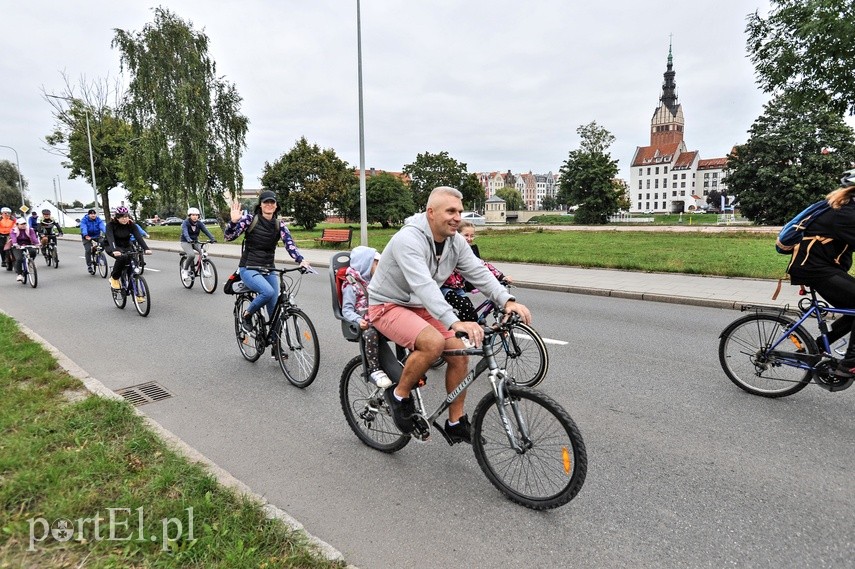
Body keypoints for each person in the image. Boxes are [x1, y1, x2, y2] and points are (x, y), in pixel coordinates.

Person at [367, 186, 532, 442]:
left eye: (460, 212)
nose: (457, 217)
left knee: (459, 353)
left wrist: (507, 300)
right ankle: (400, 397)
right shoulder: (408, 240)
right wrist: (454, 322)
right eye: (450, 211)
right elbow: (423, 285)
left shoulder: (454, 241)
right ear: (431, 212)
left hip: (420, 306)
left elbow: (478, 271)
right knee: (432, 344)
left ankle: (455, 421)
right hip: (388, 304)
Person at [787, 169, 855, 378]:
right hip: (814, 269)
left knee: (852, 310)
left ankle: (817, 346)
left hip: (823, 268)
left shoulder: (845, 209)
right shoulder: (845, 214)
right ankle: (850, 363)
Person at [225, 191, 312, 332]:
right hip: (249, 267)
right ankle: (247, 314)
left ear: (276, 206)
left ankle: (274, 342)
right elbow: (228, 237)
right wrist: (233, 222)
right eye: (266, 202)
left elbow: (290, 244)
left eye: (272, 202)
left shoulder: (279, 225)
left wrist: (301, 260)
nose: (269, 205)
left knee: (274, 309)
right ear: (260, 204)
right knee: (268, 292)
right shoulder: (250, 220)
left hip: (269, 268)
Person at [341, 246, 393, 389]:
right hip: (366, 322)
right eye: (377, 263)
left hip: (380, 317)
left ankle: (405, 362)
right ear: (366, 265)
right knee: (370, 334)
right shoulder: (351, 286)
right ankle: (375, 369)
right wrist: (359, 320)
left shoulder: (375, 281)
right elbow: (346, 310)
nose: (380, 267)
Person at [441, 220, 511, 322]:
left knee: (472, 316)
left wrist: (501, 276)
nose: (469, 239)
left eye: (472, 236)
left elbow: (482, 265)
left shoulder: (468, 251)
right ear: (457, 235)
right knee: (466, 309)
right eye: (466, 235)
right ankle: (454, 329)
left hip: (458, 288)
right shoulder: (451, 249)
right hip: (444, 288)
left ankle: (462, 329)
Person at [104, 206, 152, 289]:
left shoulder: (131, 225)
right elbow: (110, 238)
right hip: (111, 245)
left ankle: (134, 291)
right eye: (122, 217)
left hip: (126, 245)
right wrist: (114, 250)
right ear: (117, 218)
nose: (124, 219)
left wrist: (146, 248)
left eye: (126, 216)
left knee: (133, 263)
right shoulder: (110, 225)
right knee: (122, 258)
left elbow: (138, 237)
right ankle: (114, 278)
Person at [180, 207, 216, 278]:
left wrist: (212, 238)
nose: (195, 217)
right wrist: (188, 239)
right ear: (189, 216)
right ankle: (185, 270)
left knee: (203, 252)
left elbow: (206, 231)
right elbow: (185, 232)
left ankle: (205, 270)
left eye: (196, 215)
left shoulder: (199, 223)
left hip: (195, 241)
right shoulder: (185, 223)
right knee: (191, 255)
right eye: (193, 215)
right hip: (185, 241)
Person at [9, 218, 39, 283]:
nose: (23, 225)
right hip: (17, 246)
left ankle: (30, 263)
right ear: (17, 224)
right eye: (21, 224)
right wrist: (15, 244)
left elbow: (33, 237)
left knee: (33, 252)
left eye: (24, 224)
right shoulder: (14, 230)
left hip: (28, 244)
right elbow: (13, 237)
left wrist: (37, 243)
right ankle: (19, 274)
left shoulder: (30, 230)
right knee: (19, 259)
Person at [79, 209, 106, 274]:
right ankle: (89, 265)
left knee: (103, 242)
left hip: (96, 236)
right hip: (87, 236)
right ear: (88, 215)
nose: (93, 215)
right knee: (88, 250)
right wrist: (85, 235)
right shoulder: (84, 220)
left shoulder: (98, 219)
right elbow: (83, 227)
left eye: (94, 214)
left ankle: (99, 254)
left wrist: (107, 233)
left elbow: (102, 226)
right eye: (91, 214)